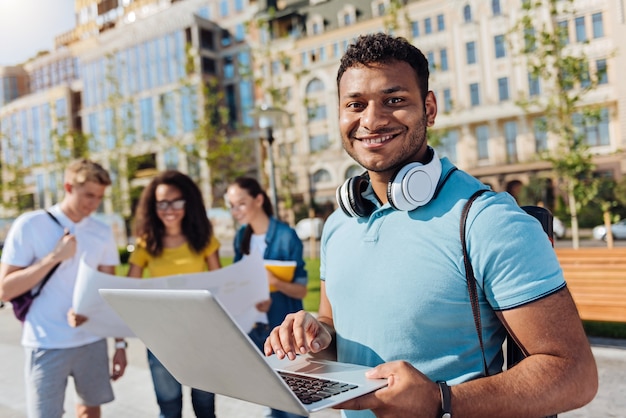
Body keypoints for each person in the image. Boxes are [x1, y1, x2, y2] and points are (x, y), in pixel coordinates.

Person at [265, 33, 598, 418]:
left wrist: (440, 400)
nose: (371, 120)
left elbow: (575, 374)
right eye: (355, 104)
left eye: (394, 101)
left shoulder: (488, 220)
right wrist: (315, 334)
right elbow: (334, 326)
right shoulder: (340, 222)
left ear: (430, 108)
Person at [0, 158, 127, 418]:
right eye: (88, 195)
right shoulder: (30, 225)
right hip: (45, 341)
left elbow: (109, 292)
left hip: (91, 340)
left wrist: (121, 344)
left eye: (99, 197)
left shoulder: (102, 231)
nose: (93, 204)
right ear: (68, 187)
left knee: (90, 411)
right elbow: (5, 290)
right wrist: (54, 257)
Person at [127, 170, 220, 418]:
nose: (170, 209)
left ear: (188, 202)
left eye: (177, 201)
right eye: (162, 203)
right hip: (161, 337)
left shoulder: (204, 239)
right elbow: (128, 290)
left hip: (200, 334)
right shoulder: (146, 242)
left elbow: (220, 284)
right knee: (168, 408)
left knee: (205, 406)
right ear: (153, 206)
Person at [226, 177, 307, 418]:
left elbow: (301, 290)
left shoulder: (286, 236)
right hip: (255, 329)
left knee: (294, 404)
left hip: (284, 332)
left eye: (240, 203)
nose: (235, 211)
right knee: (271, 402)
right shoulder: (241, 237)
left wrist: (274, 283)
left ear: (258, 200)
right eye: (231, 206)